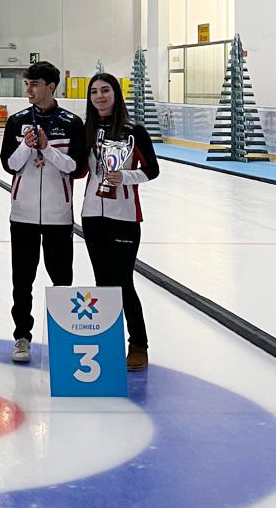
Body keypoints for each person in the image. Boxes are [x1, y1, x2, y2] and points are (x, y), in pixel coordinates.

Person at [0, 61, 86, 363]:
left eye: (34, 84)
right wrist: (26, 146)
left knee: (62, 277)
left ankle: (64, 337)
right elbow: (8, 164)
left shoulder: (73, 122)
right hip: (22, 215)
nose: (28, 90)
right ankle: (22, 336)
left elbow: (76, 167)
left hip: (58, 217)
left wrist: (48, 150)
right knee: (21, 280)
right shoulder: (16, 121)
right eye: (27, 84)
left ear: (51, 86)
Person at [77, 73, 159, 371]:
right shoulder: (86, 129)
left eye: (105, 90)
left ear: (116, 93)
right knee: (103, 283)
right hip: (92, 216)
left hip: (124, 216)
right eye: (94, 91)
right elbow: (78, 169)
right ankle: (109, 342)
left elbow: (152, 171)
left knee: (123, 282)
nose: (99, 96)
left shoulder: (133, 130)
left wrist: (123, 176)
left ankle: (138, 344)